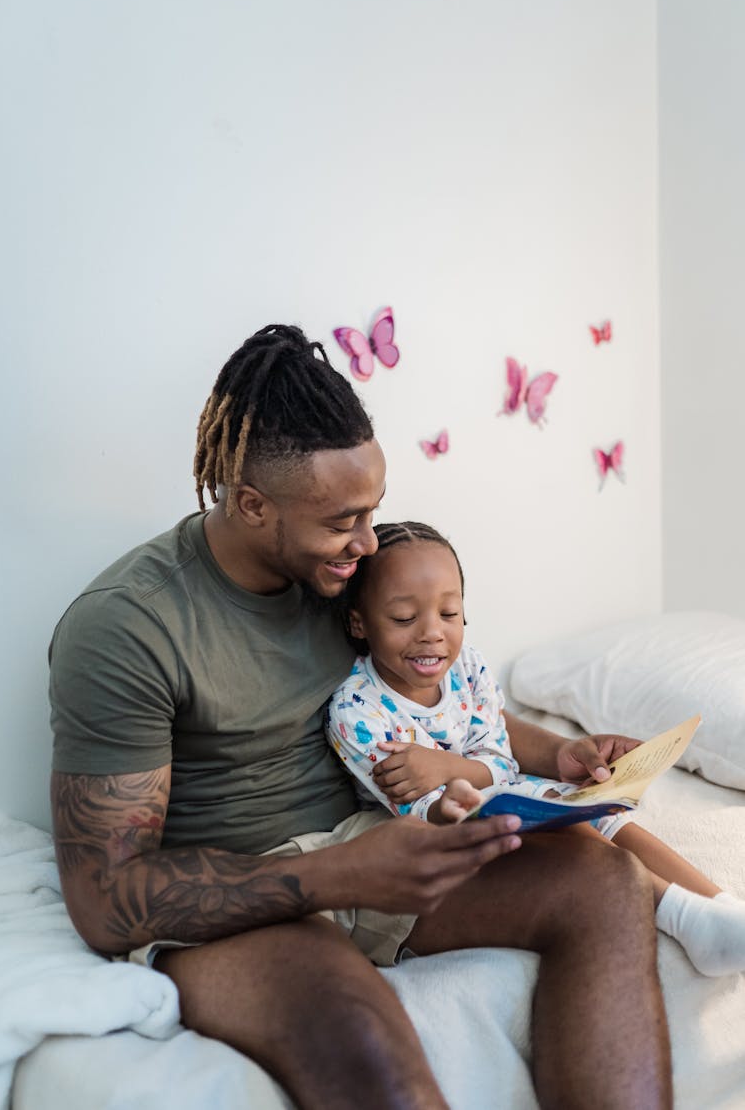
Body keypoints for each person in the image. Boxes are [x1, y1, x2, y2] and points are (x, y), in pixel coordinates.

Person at [50, 324, 672, 1110]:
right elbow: (106, 900)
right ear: (250, 504)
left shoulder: (350, 580)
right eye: (343, 520)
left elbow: (447, 701)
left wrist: (557, 756)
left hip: (376, 845)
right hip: (244, 901)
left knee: (603, 878)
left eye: (371, 510)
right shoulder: (128, 626)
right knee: (372, 1052)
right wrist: (342, 874)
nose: (367, 541)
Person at [326, 519, 745, 978]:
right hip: (441, 833)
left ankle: (721, 907)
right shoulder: (357, 710)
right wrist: (462, 783)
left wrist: (448, 767)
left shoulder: (467, 668)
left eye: (449, 614)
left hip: (497, 796)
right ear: (358, 621)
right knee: (562, 827)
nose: (432, 633)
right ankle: (683, 918)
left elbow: (500, 755)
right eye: (405, 618)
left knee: (604, 814)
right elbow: (422, 811)